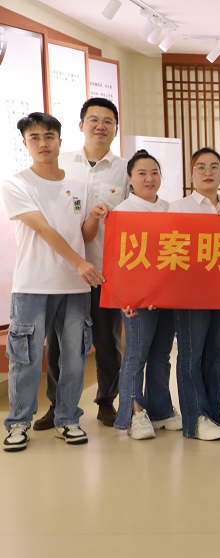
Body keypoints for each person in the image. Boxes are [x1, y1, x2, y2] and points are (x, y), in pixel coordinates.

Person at [2, 112, 106, 451]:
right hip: (33, 285)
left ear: (60, 141)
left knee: (74, 356)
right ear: (25, 144)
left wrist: (93, 217)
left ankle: (68, 419)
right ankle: (19, 423)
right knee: (27, 358)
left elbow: (83, 234)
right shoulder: (17, 183)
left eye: (49, 136)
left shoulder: (79, 184)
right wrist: (80, 262)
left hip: (74, 287)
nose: (43, 143)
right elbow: (44, 229)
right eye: (35, 138)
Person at [35, 98, 128, 431]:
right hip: (64, 271)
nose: (100, 126)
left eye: (108, 121)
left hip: (105, 272)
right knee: (59, 344)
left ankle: (106, 402)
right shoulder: (60, 164)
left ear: (115, 128)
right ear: (81, 125)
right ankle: (57, 405)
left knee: (107, 342)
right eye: (93, 120)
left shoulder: (125, 170)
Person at [168, 147, 220, 441]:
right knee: (192, 354)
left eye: (214, 167)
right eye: (201, 167)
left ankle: (213, 410)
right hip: (191, 291)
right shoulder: (179, 207)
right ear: (192, 174)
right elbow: (174, 249)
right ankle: (195, 418)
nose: (207, 172)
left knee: (217, 352)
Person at [113, 150, 182, 440]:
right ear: (130, 178)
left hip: (167, 293)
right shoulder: (122, 211)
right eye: (141, 173)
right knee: (136, 354)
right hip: (137, 298)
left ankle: (161, 409)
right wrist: (123, 297)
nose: (149, 178)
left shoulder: (171, 208)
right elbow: (116, 260)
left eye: (154, 173)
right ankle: (134, 412)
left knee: (161, 354)